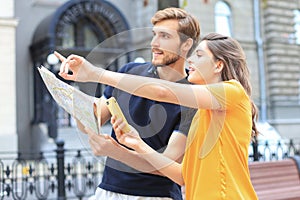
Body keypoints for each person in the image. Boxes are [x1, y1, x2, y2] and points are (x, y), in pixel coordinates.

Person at [56, 32, 259, 199]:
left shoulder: (233, 92)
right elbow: (181, 176)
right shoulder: (201, 114)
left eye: (199, 55)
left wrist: (96, 74)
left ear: (218, 65)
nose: (190, 59)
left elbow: (161, 92)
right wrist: (137, 143)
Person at [56, 7, 200, 200]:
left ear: (186, 44)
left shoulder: (194, 96)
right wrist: (69, 93)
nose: (154, 43)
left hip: (155, 196)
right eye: (154, 35)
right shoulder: (129, 71)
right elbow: (93, 118)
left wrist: (116, 152)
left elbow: (168, 166)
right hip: (107, 191)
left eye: (164, 36)